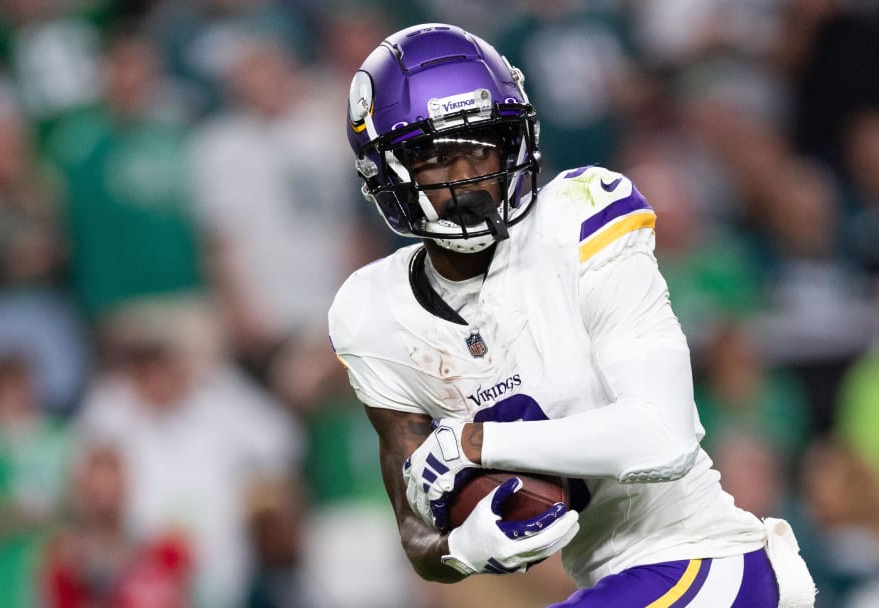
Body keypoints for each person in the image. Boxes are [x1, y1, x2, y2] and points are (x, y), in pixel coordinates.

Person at [328, 23, 816, 607]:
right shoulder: (371, 313)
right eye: (438, 157)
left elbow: (662, 438)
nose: (469, 177)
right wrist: (462, 550)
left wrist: (477, 443)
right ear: (386, 174)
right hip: (612, 580)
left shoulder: (581, 218)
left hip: (705, 563)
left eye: (482, 145)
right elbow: (416, 527)